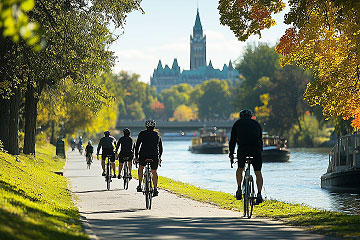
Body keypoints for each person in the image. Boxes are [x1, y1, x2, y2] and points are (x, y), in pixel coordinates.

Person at [229, 109, 264, 204]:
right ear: (251, 116)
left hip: (243, 150)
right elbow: (260, 139)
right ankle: (259, 193)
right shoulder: (256, 124)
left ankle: (239, 189)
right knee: (258, 172)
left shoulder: (237, 124)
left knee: (240, 168)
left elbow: (232, 140)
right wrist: (260, 152)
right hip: (255, 150)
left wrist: (231, 154)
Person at [134, 120, 163, 197]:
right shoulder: (157, 134)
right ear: (154, 127)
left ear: (146, 126)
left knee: (141, 168)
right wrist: (159, 157)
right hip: (154, 155)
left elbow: (137, 146)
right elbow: (160, 148)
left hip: (143, 155)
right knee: (154, 171)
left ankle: (139, 185)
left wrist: (136, 157)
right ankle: (155, 189)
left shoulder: (142, 133)